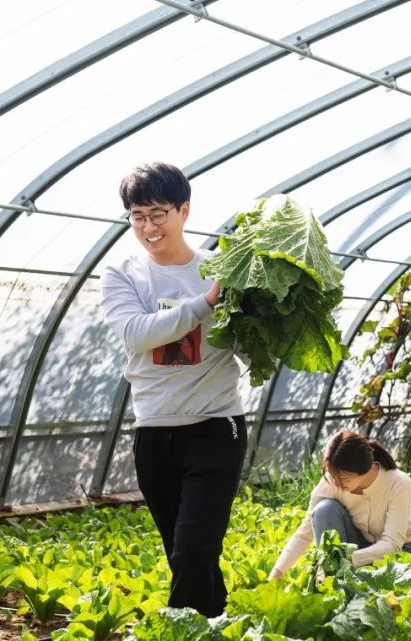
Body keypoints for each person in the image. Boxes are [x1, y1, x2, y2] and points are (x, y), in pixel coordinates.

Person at [101, 163, 247, 617]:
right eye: (138, 217)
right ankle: (216, 622)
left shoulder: (220, 270)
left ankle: (179, 628)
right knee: (184, 553)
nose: (149, 228)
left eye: (158, 214)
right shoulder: (122, 274)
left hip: (217, 425)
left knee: (193, 549)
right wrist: (206, 303)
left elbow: (251, 343)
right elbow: (136, 334)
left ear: (184, 210)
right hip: (154, 428)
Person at [269, 430, 411, 579]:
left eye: (345, 478)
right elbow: (304, 532)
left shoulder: (397, 482)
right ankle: (335, 578)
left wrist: (345, 560)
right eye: (333, 476)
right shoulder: (333, 480)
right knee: (324, 510)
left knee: (386, 585)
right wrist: (277, 572)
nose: (338, 483)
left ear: (364, 469)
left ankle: (343, 575)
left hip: (402, 552)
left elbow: (392, 545)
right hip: (359, 545)